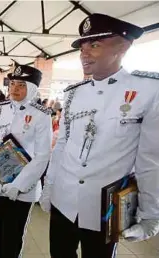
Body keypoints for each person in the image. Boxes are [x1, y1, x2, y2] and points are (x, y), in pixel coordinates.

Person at [40, 13, 159, 258]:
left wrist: (150, 214)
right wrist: (49, 188)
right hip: (64, 201)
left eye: (94, 45)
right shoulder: (73, 93)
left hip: (104, 208)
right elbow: (61, 146)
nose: (84, 53)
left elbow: (150, 160)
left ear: (123, 46)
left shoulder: (148, 90)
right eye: (82, 47)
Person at [0, 64, 52, 258]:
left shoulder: (41, 115)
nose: (14, 88)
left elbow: (42, 155)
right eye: (12, 83)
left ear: (32, 89)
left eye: (21, 85)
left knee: (13, 233)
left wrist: (19, 184)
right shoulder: (0, 109)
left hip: (22, 186)